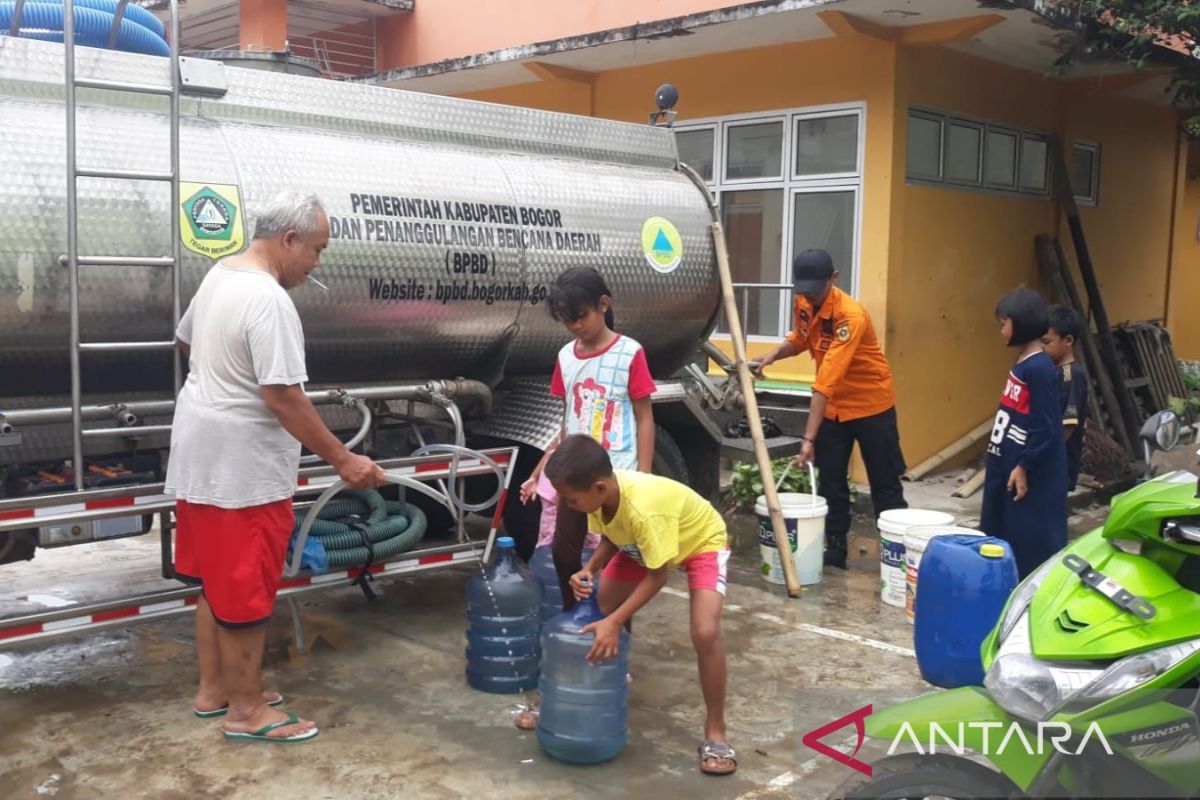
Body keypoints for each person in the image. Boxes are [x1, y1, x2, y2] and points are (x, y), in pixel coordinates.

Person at [166, 192, 386, 743]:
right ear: (289, 240)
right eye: (316, 249)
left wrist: (217, 389)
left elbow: (184, 340)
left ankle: (216, 691)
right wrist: (344, 459)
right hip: (241, 472)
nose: (317, 264)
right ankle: (246, 714)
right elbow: (284, 396)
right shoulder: (268, 299)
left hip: (197, 456)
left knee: (214, 583)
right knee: (244, 588)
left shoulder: (221, 275)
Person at [546, 435, 736, 777]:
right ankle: (604, 689)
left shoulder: (643, 510)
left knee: (704, 631)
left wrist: (616, 621)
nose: (567, 505)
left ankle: (716, 730)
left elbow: (657, 576)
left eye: (570, 500)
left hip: (699, 541)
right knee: (599, 609)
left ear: (599, 488)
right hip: (642, 544)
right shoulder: (599, 498)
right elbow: (611, 535)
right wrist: (589, 569)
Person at [754, 249, 906, 569]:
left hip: (871, 405)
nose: (809, 295)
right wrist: (770, 355)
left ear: (834, 278)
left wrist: (808, 439)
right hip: (834, 410)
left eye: (815, 288)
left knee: (885, 483)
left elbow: (826, 381)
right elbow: (800, 338)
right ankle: (835, 551)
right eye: (804, 289)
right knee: (831, 483)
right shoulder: (804, 301)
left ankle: (900, 555)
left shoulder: (851, 316)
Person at [518, 267, 656, 610]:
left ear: (604, 304)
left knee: (617, 563)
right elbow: (566, 423)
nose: (575, 326)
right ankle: (574, 618)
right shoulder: (565, 357)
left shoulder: (630, 353)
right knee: (564, 551)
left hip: (618, 476)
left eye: (581, 316)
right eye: (567, 320)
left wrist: (645, 475)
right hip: (575, 476)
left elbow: (645, 418)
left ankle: (616, 637)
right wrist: (538, 473)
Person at [981, 288, 1067, 578]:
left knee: (1026, 544)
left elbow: (1046, 426)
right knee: (996, 535)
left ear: (1022, 323)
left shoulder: (1040, 368)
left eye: (1005, 323)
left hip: (1025, 472)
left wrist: (1023, 465)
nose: (1001, 331)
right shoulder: (1023, 363)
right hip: (1004, 462)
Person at [1043, 305, 1090, 492]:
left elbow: (1068, 424)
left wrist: (1042, 455)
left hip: (1056, 465)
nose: (1041, 348)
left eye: (1047, 342)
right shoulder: (1053, 371)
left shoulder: (1072, 375)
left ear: (1068, 340)